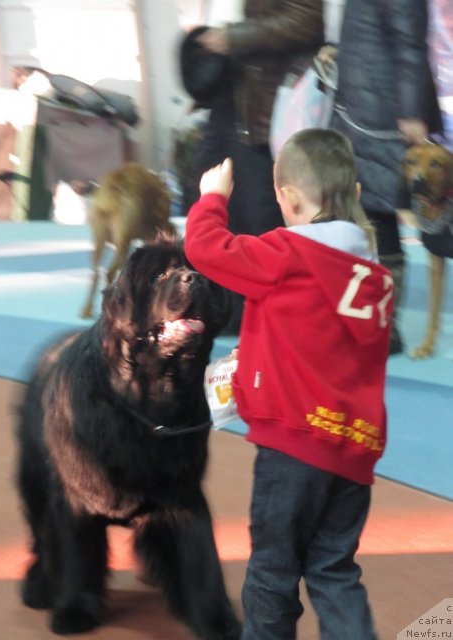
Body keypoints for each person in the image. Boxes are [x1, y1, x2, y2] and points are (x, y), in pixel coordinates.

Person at [185, 129, 393, 639]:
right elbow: (325, 346)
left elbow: (206, 248)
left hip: (294, 448)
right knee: (333, 570)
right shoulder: (374, 275)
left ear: (288, 197)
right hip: (354, 450)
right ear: (357, 196)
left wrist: (213, 199)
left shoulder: (287, 254)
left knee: (273, 572)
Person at [187, 0, 324, 334]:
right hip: (235, 92)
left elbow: (307, 21)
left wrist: (234, 37)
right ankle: (229, 311)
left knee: (258, 214)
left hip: (270, 101)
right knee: (216, 198)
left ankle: (266, 315)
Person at [330, 0, 443, 354]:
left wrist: (411, 108)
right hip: (364, 106)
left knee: (379, 218)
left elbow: (410, 40)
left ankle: (384, 328)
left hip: (382, 115)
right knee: (369, 217)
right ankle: (375, 324)